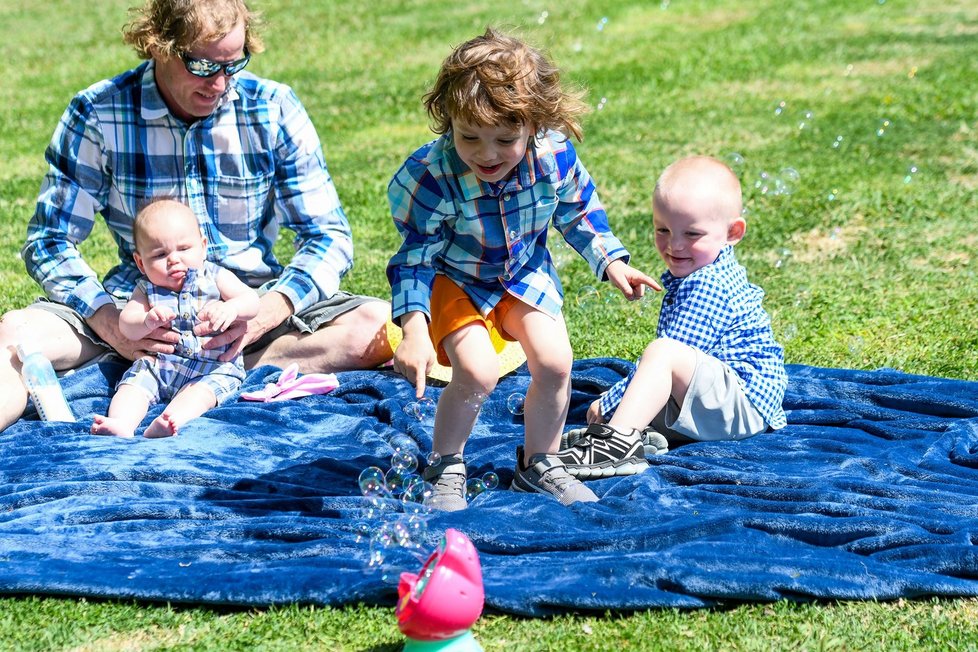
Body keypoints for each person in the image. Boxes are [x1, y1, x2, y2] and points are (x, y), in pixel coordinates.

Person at [0, 0, 391, 432]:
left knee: (374, 327)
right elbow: (49, 240)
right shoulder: (99, 112)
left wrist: (263, 314)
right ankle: (186, 369)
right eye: (203, 66)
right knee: (16, 334)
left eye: (234, 63)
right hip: (141, 312)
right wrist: (112, 325)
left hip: (248, 309)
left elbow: (328, 237)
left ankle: (226, 362)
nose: (221, 84)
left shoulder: (273, 107)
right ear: (159, 45)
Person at [387, 28, 660, 511]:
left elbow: (578, 212)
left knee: (556, 363)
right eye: (468, 136)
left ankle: (541, 463)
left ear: (535, 125)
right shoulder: (430, 174)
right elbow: (415, 256)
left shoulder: (554, 158)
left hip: (521, 272)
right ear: (445, 119)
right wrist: (413, 329)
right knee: (478, 372)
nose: (486, 154)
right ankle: (446, 464)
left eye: (504, 139)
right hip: (456, 278)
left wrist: (612, 262)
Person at [556, 155, 788, 478]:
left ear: (733, 232)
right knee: (653, 377)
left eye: (692, 234)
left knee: (663, 352)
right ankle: (635, 436)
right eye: (663, 229)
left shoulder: (708, 285)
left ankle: (615, 445)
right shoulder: (704, 268)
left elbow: (673, 351)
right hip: (725, 403)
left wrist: (610, 401)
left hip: (743, 405)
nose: (674, 245)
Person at [91, 199, 259, 438]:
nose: (173, 259)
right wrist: (146, 320)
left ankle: (170, 422)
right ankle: (120, 423)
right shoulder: (146, 288)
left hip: (211, 367)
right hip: (159, 366)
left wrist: (231, 308)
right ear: (141, 262)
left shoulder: (215, 276)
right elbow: (127, 325)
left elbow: (252, 302)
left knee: (200, 395)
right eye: (160, 254)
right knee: (133, 386)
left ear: (202, 246)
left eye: (184, 249)